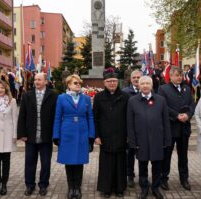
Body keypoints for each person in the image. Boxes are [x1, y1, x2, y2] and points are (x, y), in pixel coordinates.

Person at [127, 76, 172, 199]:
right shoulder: (132, 101)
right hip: (141, 140)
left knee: (157, 166)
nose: (145, 85)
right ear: (139, 86)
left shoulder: (161, 100)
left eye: (148, 83)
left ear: (152, 86)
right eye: (143, 83)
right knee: (142, 166)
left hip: (158, 140)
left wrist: (167, 140)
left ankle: (156, 188)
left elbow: (166, 122)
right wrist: (132, 141)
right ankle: (144, 188)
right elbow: (130, 124)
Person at [53, 74, 95, 199]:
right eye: (75, 83)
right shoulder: (61, 98)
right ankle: (71, 187)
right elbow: (57, 117)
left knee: (79, 162)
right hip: (67, 133)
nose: (78, 85)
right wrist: (56, 135)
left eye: (79, 83)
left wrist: (91, 136)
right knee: (69, 162)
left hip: (82, 132)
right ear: (69, 85)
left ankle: (78, 187)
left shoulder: (86, 99)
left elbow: (90, 117)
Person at [17, 73, 58, 196]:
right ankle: (29, 185)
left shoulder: (53, 95)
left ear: (46, 81)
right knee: (30, 162)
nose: (36, 81)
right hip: (30, 135)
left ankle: (43, 184)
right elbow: (22, 115)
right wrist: (21, 133)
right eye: (35, 79)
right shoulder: (27, 95)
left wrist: (55, 134)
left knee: (45, 163)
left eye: (39, 79)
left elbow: (56, 116)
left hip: (46, 135)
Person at [93, 69, 129, 198]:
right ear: (104, 82)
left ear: (117, 82)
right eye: (109, 81)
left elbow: (129, 117)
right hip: (105, 136)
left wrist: (129, 135)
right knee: (106, 163)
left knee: (120, 162)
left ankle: (120, 188)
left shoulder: (125, 97)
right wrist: (96, 135)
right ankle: (106, 188)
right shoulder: (98, 97)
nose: (112, 83)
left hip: (121, 135)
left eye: (114, 81)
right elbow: (95, 118)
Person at [158, 67, 195, 191]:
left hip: (184, 128)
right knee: (166, 155)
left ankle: (184, 179)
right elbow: (163, 106)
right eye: (177, 75)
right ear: (171, 76)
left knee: (183, 156)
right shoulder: (163, 89)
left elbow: (192, 105)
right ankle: (163, 179)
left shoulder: (187, 89)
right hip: (170, 128)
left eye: (181, 75)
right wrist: (176, 115)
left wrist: (188, 115)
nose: (179, 77)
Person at [122, 69, 142, 187]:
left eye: (138, 77)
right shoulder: (125, 92)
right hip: (130, 129)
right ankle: (130, 175)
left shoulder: (147, 90)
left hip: (143, 129)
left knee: (143, 154)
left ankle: (143, 176)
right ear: (130, 79)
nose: (136, 79)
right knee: (129, 154)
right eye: (134, 77)